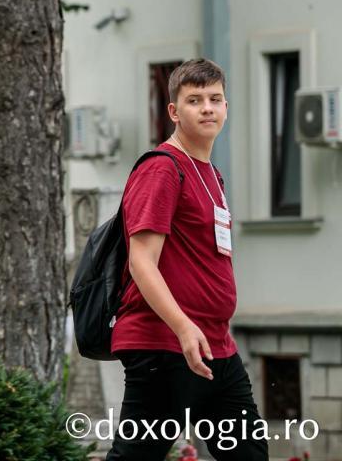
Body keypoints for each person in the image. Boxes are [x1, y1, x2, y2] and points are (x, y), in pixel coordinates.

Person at [107, 59, 267, 460]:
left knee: (249, 455)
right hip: (163, 344)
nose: (208, 108)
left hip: (216, 348)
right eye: (195, 100)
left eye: (215, 99)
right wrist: (182, 326)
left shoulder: (211, 173)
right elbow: (141, 262)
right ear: (175, 112)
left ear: (227, 107)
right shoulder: (162, 169)